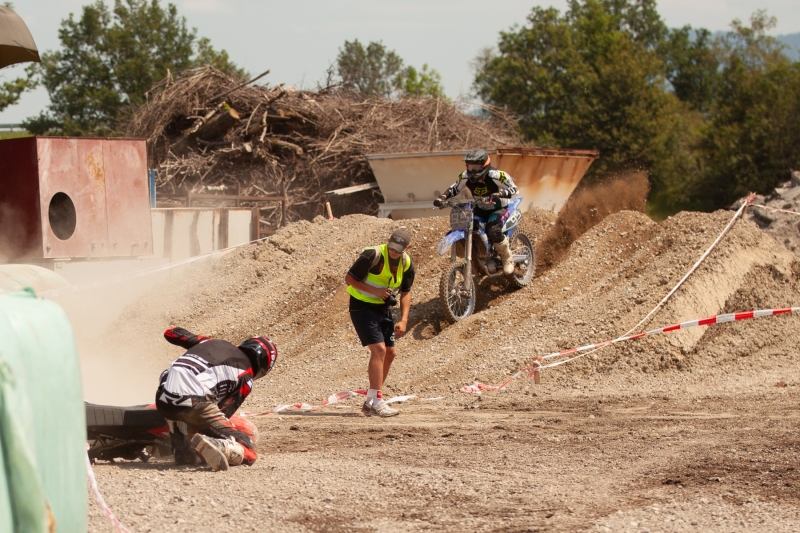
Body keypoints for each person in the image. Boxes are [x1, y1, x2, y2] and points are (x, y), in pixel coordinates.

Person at [155, 327, 277, 471]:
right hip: (194, 403)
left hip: (162, 399)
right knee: (248, 447)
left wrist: (198, 341)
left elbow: (170, 333)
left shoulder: (208, 342)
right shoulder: (247, 377)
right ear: (263, 367)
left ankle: (179, 438)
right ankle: (219, 446)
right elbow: (223, 412)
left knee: (170, 375)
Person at [345, 228, 415, 418]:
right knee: (379, 350)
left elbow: (406, 291)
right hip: (361, 306)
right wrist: (375, 291)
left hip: (382, 308)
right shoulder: (373, 254)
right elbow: (349, 279)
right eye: (392, 247)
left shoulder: (406, 262)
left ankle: (371, 398)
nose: (394, 252)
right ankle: (378, 401)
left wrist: (404, 319)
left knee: (390, 352)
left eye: (398, 250)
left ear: (407, 248)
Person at [434, 149, 520, 274]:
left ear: (485, 165)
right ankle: (479, 257)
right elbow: (455, 188)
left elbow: (514, 189)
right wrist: (442, 197)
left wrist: (500, 193)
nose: (473, 170)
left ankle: (507, 257)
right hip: (480, 208)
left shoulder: (498, 176)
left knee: (493, 229)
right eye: (471, 166)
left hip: (499, 209)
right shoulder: (465, 176)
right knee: (467, 226)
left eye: (477, 166)